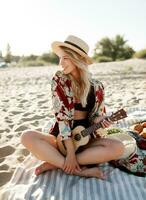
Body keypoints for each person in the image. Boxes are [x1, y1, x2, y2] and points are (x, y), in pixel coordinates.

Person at [21, 35, 124, 179]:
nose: (61, 63)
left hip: (86, 137)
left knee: (118, 147)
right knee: (27, 136)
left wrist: (103, 120)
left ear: (77, 59)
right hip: (60, 138)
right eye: (60, 58)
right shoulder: (59, 80)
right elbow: (62, 118)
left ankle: (56, 163)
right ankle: (77, 169)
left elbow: (96, 116)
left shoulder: (97, 87)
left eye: (65, 58)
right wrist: (69, 153)